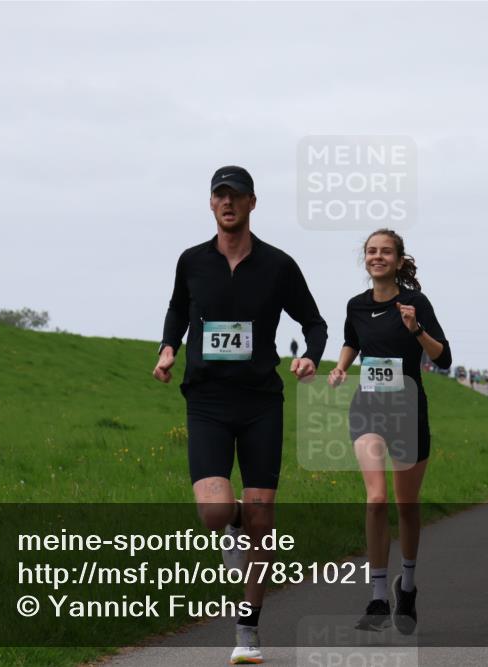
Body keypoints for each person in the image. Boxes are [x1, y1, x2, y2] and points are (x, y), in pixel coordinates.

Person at [153, 166, 327, 665]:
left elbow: (313, 321)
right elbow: (177, 311)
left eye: (236, 196)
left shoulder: (278, 265)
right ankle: (233, 527)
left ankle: (248, 629)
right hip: (206, 400)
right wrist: (169, 348)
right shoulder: (192, 261)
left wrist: (311, 354)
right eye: (219, 195)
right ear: (211, 204)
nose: (227, 203)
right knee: (214, 513)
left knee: (262, 516)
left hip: (259, 402)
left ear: (253, 203)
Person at [328, 228, 451, 636]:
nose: (377, 257)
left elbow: (444, 358)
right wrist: (343, 365)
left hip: (407, 411)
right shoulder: (355, 305)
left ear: (399, 261)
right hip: (367, 408)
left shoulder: (415, 302)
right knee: (376, 499)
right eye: (371, 251)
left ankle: (409, 586)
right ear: (365, 259)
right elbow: (351, 340)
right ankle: (379, 596)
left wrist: (416, 329)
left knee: (407, 505)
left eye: (385, 252)